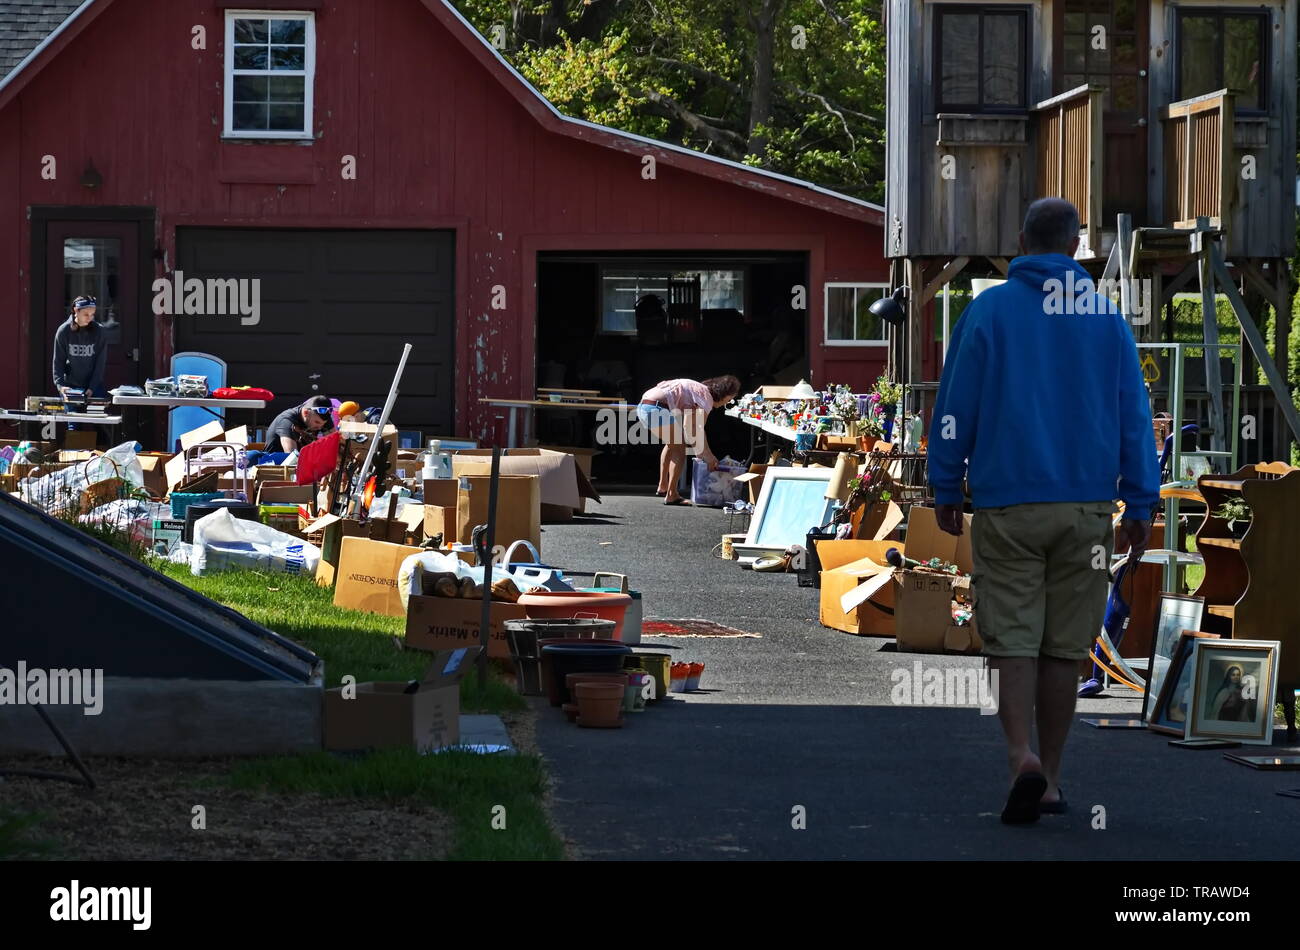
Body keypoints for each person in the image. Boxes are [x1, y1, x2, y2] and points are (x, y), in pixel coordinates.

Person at [928, 197, 1159, 825]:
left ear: (1022, 241)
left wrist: (946, 484)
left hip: (1009, 505)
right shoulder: (1105, 316)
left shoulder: (989, 310)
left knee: (1014, 639)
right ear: (1077, 244)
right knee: (1065, 648)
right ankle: (1053, 779)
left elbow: (956, 407)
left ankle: (1018, 755)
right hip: (1086, 510)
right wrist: (1141, 499)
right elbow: (1134, 418)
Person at [636, 375, 740, 505]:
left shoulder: (697, 391)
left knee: (672, 445)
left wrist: (701, 451)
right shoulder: (705, 397)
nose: (727, 403)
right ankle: (671, 495)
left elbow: (689, 426)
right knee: (679, 450)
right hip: (656, 408)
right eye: (729, 400)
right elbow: (697, 429)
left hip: (644, 406)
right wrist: (708, 456)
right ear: (724, 395)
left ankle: (663, 486)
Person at [53, 295, 108, 399]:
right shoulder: (63, 331)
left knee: (96, 414)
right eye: (86, 314)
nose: (90, 318)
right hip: (70, 386)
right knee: (71, 415)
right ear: (75, 310)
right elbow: (58, 361)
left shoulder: (99, 331)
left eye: (92, 314)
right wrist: (60, 386)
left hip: (94, 386)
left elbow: (100, 363)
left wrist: (92, 387)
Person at [264, 395, 336, 453]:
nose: (320, 427)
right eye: (317, 422)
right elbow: (292, 457)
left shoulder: (321, 416)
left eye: (324, 424)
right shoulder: (287, 421)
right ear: (305, 413)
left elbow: (335, 445)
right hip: (274, 465)